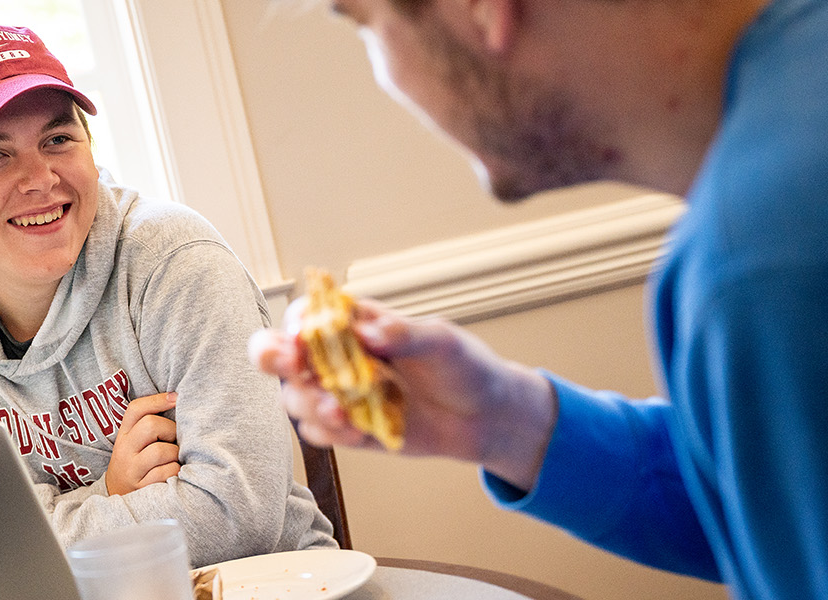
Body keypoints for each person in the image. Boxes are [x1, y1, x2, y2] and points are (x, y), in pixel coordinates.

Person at [250, 0, 827, 597]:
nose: (385, 77)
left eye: (364, 24)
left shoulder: (759, 258)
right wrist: (503, 421)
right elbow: (763, 502)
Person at [0, 22, 335, 567]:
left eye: (58, 140)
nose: (40, 178)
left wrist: (30, 536)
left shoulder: (176, 262)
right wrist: (108, 494)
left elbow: (236, 517)